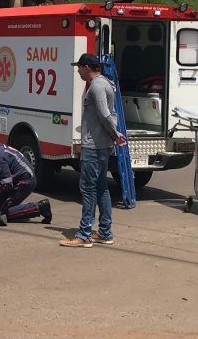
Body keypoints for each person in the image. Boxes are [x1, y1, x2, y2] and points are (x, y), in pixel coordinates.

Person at [61, 53, 127, 249]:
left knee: (88, 189)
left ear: (87, 67)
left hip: (94, 146)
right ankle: (105, 233)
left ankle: (84, 235)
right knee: (101, 188)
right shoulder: (104, 83)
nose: (78, 71)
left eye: (79, 68)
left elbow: (105, 114)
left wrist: (115, 134)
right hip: (101, 145)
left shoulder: (97, 86)